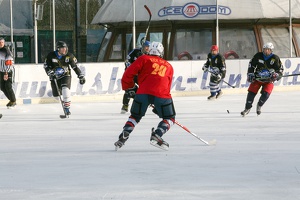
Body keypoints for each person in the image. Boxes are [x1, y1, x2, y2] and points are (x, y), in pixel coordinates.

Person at [114, 41, 176, 150]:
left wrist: (129, 87)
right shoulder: (169, 66)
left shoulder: (143, 59)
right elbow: (167, 85)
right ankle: (158, 134)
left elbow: (128, 73)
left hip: (142, 93)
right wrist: (159, 107)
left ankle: (125, 133)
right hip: (162, 95)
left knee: (135, 116)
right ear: (162, 52)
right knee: (170, 118)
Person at [241, 42, 283, 117]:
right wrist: (250, 73)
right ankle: (247, 108)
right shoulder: (258, 56)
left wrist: (276, 75)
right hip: (257, 79)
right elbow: (251, 65)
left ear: (271, 50)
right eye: (265, 49)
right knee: (251, 93)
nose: (266, 51)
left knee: (266, 94)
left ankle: (259, 105)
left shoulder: (275, 58)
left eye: (268, 49)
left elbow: (280, 70)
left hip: (268, 81)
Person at [44, 41, 85, 116]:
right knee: (56, 96)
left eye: (65, 48)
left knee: (65, 90)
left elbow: (75, 67)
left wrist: (80, 75)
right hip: (55, 77)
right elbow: (46, 65)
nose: (64, 50)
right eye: (62, 48)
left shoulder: (69, 56)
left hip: (66, 75)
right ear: (58, 49)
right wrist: (49, 72)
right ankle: (65, 101)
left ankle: (67, 109)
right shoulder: (51, 55)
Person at [121, 39, 150, 114]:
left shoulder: (149, 55)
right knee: (128, 89)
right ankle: (125, 105)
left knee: (144, 89)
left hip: (141, 76)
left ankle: (145, 103)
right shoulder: (135, 51)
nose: (148, 48)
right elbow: (127, 61)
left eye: (149, 47)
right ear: (143, 46)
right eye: (146, 46)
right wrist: (132, 70)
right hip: (131, 75)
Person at [0, 37, 16, 108]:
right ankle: (11, 100)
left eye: (2, 42)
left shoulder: (6, 51)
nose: (1, 44)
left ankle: (13, 101)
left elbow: (9, 63)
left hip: (8, 71)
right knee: (2, 87)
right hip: (1, 71)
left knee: (8, 86)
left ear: (4, 43)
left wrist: (6, 73)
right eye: (0, 42)